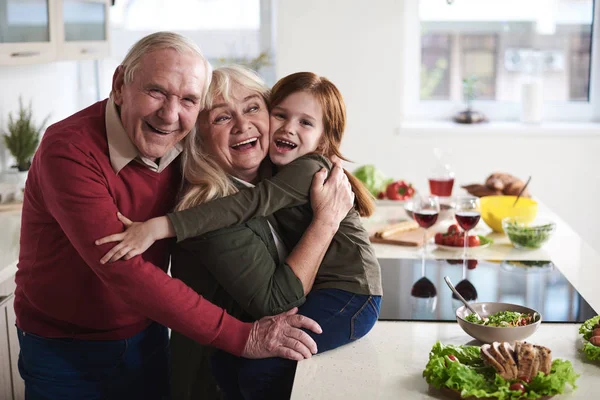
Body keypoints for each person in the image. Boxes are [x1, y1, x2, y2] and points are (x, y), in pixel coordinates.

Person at [14, 32, 352, 400]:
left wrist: (319, 162)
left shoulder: (181, 144)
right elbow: (124, 270)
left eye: (188, 99)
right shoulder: (71, 151)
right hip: (67, 347)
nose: (170, 114)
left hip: (150, 333)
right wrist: (243, 336)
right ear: (119, 85)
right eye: (156, 91)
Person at [96, 68, 383, 399]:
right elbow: (279, 300)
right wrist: (326, 221)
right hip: (212, 385)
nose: (243, 125)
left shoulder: (280, 174)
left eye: (252, 108)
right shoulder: (212, 205)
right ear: (198, 134)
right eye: (221, 118)